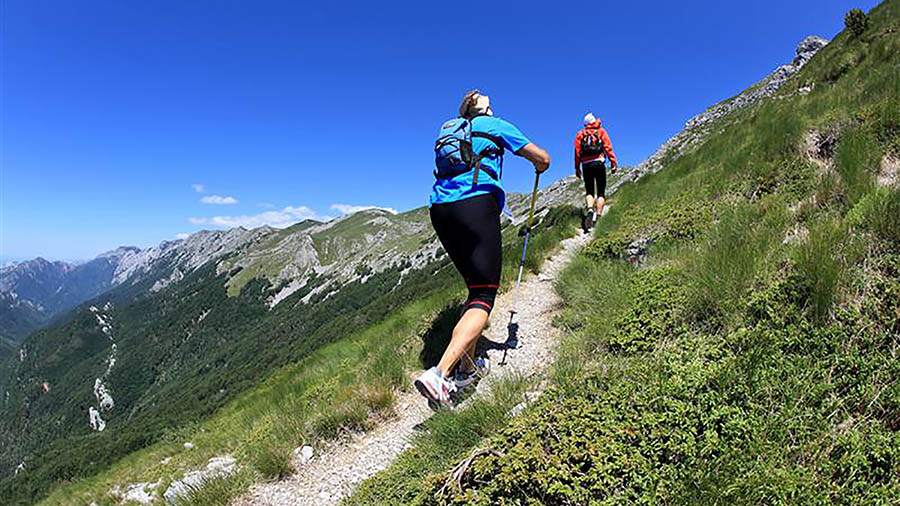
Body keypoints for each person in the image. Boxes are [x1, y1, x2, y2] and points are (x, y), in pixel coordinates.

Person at [414, 90, 550, 408]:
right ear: (485, 107)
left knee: (474, 287)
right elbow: (542, 158)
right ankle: (440, 373)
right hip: (476, 202)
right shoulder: (495, 125)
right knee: (484, 294)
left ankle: (468, 367)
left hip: (440, 209)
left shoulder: (454, 129)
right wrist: (540, 166)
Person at [574, 112, 617, 230]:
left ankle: (589, 210)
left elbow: (577, 153)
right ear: (594, 121)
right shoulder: (601, 131)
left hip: (586, 165)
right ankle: (598, 217)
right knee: (601, 192)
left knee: (589, 191)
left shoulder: (580, 134)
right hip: (599, 163)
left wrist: (577, 168)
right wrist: (613, 162)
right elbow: (608, 148)